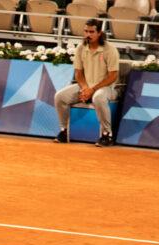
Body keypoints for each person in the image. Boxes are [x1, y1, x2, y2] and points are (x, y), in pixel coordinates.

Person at [53, 19, 120, 148]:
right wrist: (85, 88)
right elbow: (78, 73)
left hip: (107, 88)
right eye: (86, 31)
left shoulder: (110, 49)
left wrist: (92, 90)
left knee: (98, 97)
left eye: (91, 32)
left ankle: (107, 134)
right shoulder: (80, 48)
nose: (88, 35)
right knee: (60, 96)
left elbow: (113, 76)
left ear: (99, 33)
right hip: (85, 86)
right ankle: (64, 131)